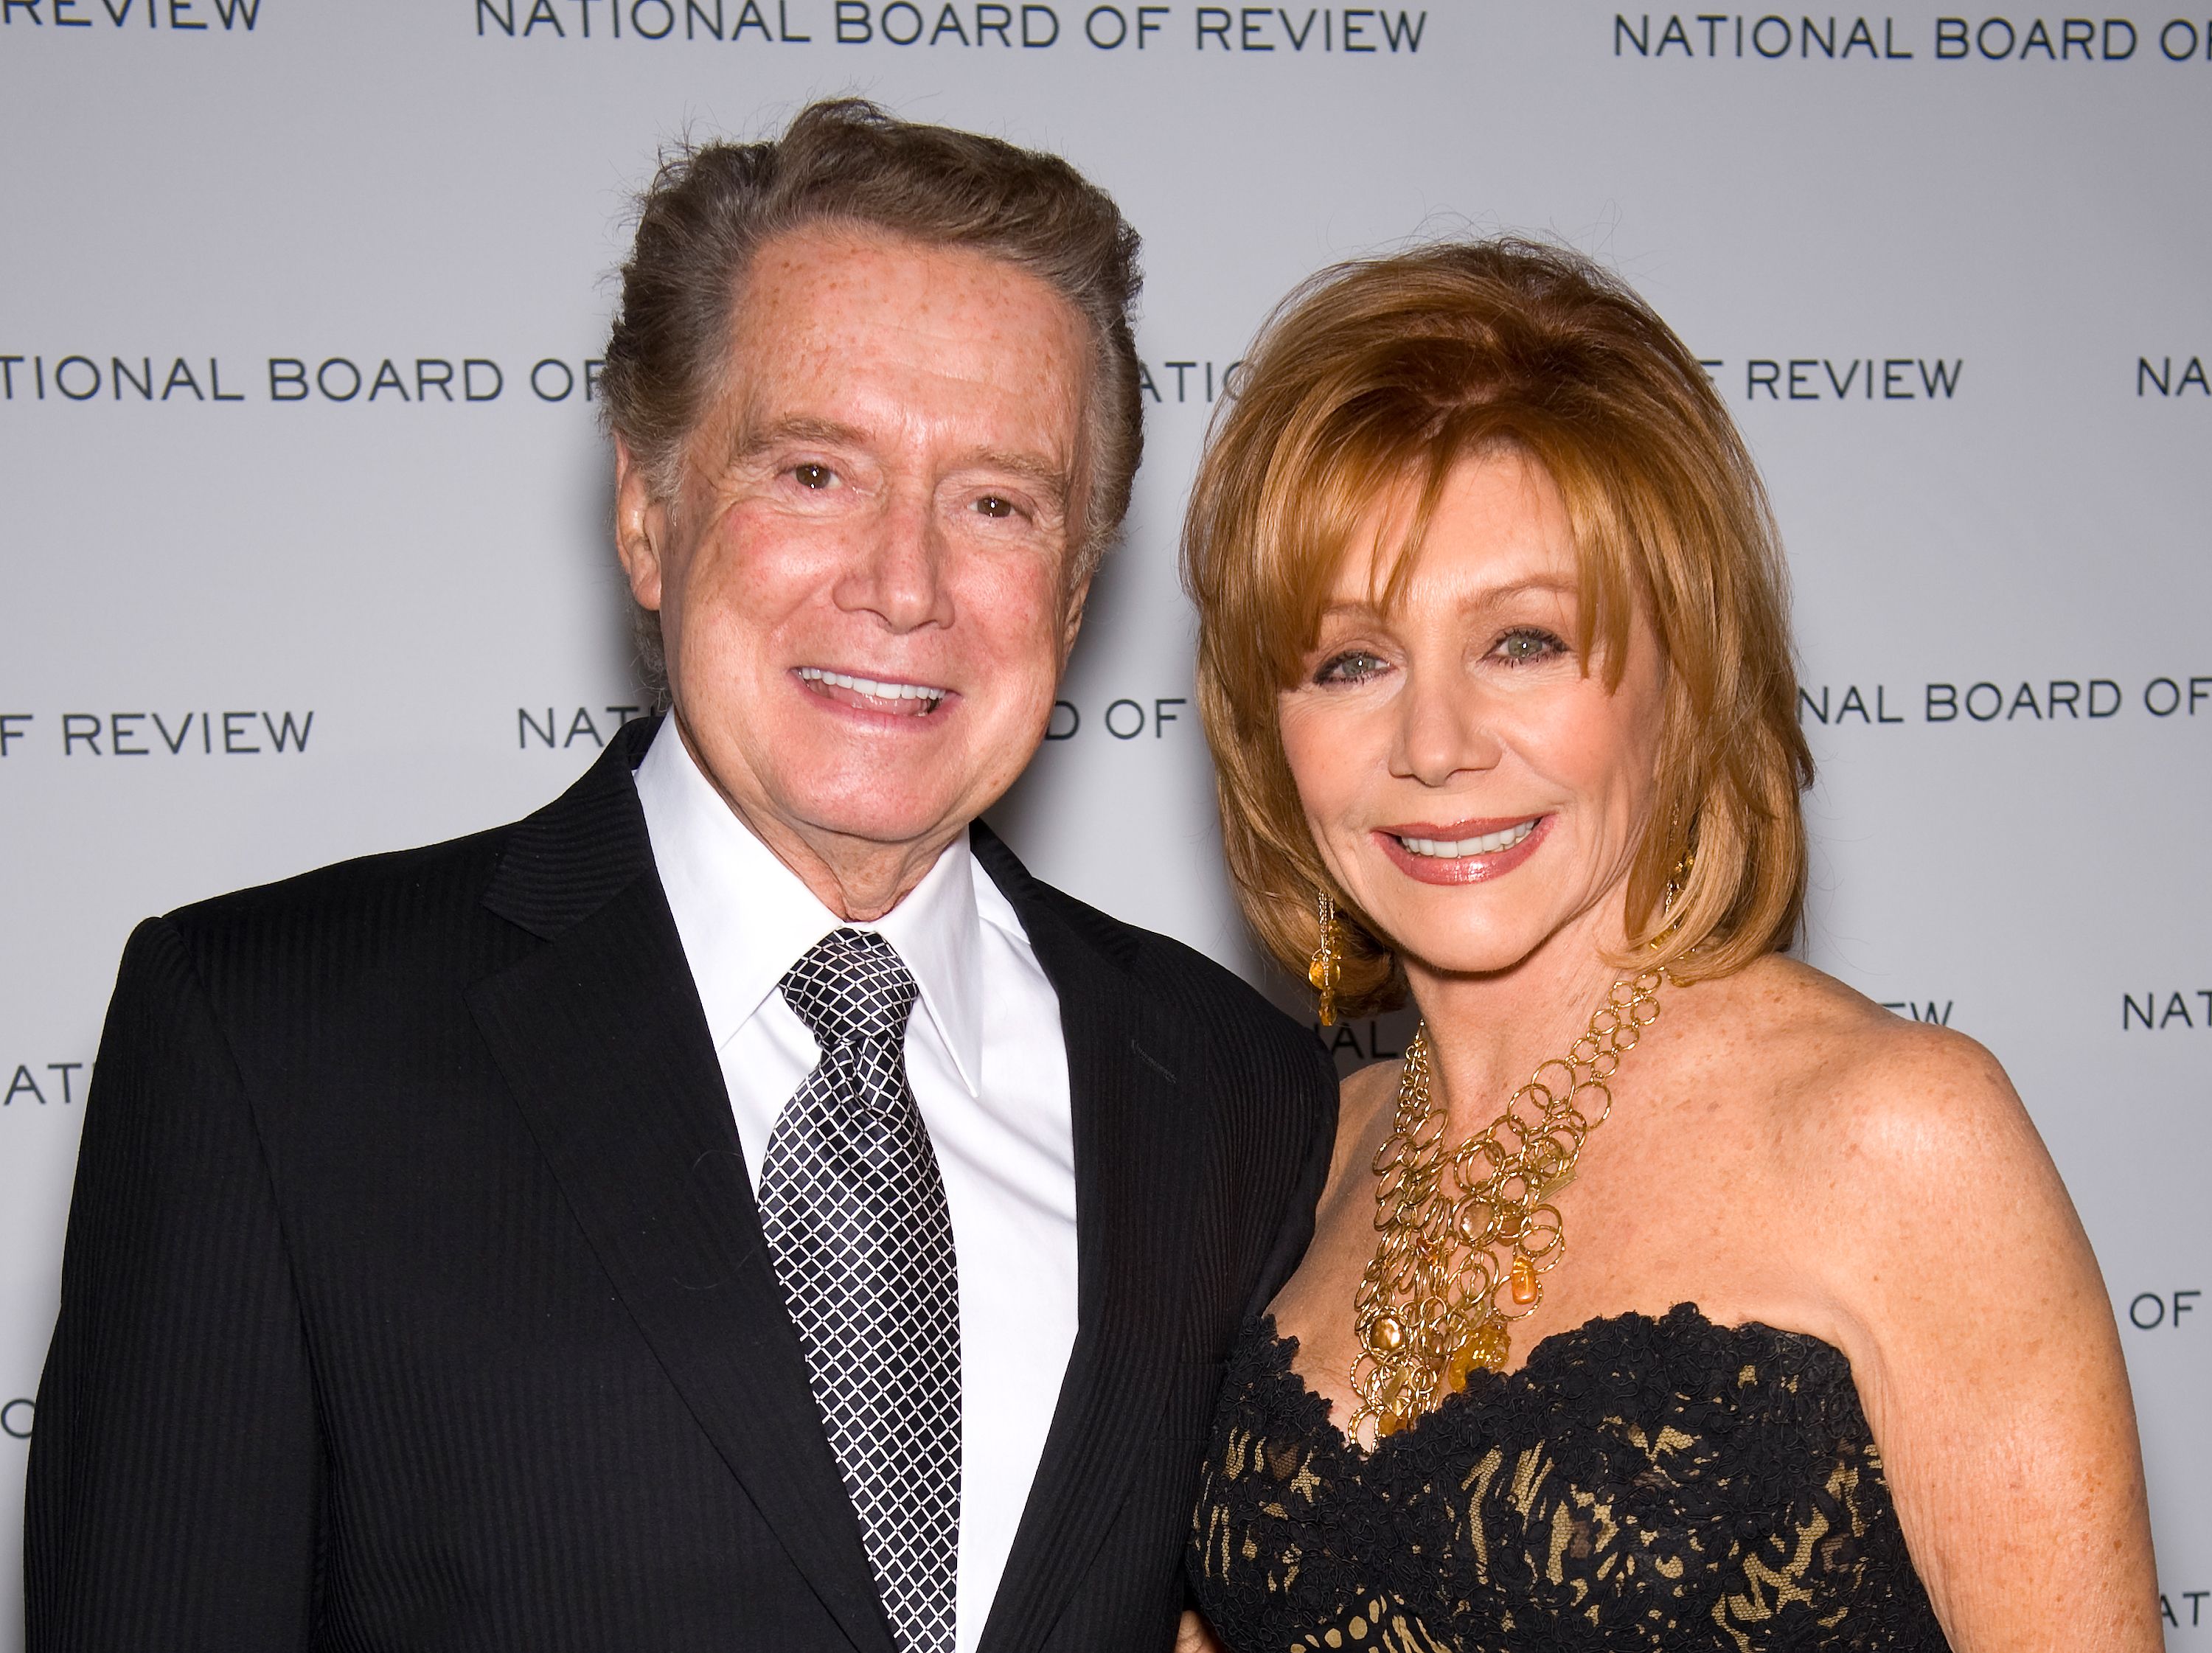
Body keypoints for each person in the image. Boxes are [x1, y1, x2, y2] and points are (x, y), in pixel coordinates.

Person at [26, 100, 1335, 1653]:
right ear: (648, 514)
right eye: (813, 472)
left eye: (996, 503)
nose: (904, 585)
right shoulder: (268, 1041)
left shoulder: (1236, 1090)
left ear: (1078, 573)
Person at [1174, 239, 2158, 1652]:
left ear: (1682, 678)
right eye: (1352, 661)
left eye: (1522, 640)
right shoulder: (1294, 1163)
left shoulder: (1898, 1137)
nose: (1435, 745)